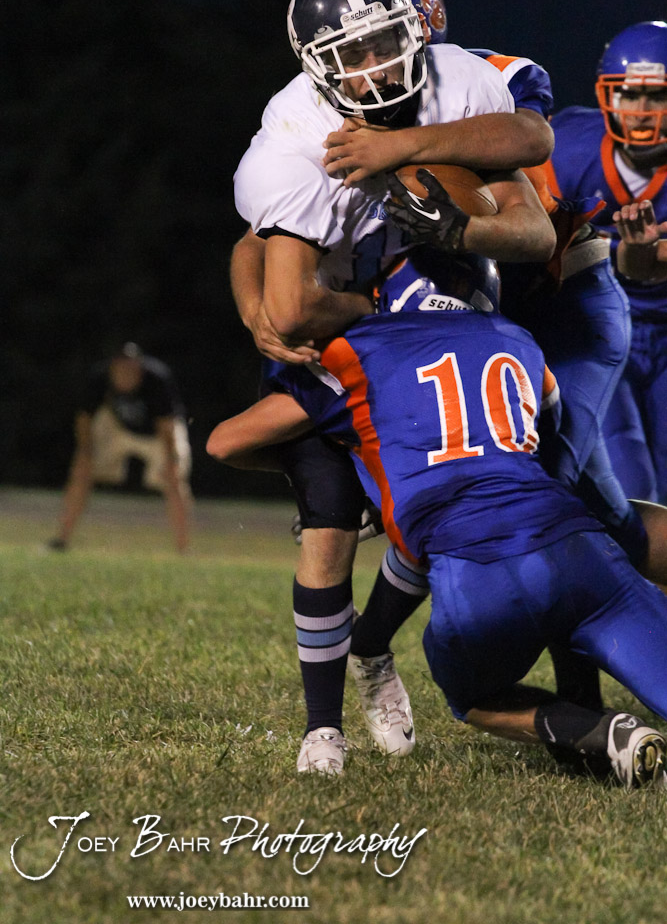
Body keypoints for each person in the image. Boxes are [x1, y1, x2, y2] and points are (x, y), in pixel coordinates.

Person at [231, 0, 556, 774]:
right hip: (343, 331)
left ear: (415, 29)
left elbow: (533, 171)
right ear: (316, 68)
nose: (374, 69)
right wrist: (289, 312)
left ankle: (372, 646)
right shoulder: (291, 140)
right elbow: (282, 296)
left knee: (433, 505)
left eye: (384, 44)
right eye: (351, 55)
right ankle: (321, 728)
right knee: (329, 521)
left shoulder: (456, 78)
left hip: (443, 315)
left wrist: (403, 152)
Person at [210, 249, 667, 789]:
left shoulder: (358, 350)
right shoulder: (520, 340)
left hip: (479, 576)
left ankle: (596, 730)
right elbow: (548, 431)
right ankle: (589, 704)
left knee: (472, 698)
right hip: (584, 555)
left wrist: (352, 463)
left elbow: (224, 443)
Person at [546, 21, 667, 505]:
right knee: (632, 488)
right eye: (629, 94)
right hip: (596, 328)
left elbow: (645, 266)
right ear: (607, 95)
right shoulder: (566, 147)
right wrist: (625, 254)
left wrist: (633, 255)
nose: (640, 111)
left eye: (656, 95)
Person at [48, 342, 192, 553]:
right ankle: (61, 540)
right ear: (112, 367)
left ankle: (183, 548)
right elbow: (84, 418)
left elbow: (167, 425)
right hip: (119, 429)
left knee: (175, 478)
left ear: (139, 368)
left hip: (158, 434)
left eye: (131, 369)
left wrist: (171, 460)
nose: (126, 374)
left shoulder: (156, 379)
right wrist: (86, 452)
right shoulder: (100, 377)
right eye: (121, 368)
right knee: (82, 469)